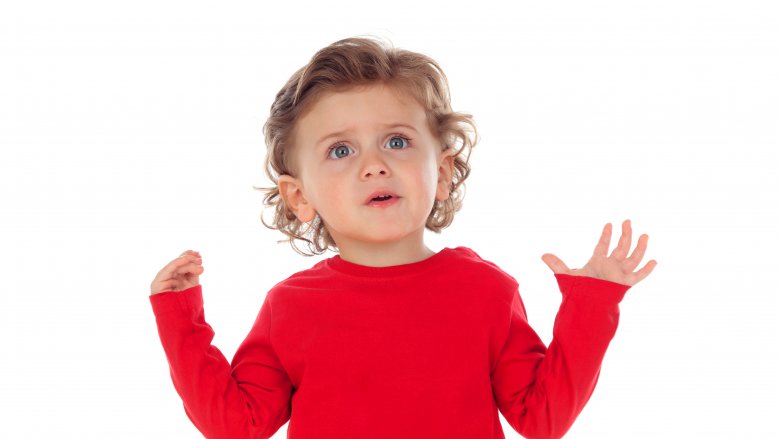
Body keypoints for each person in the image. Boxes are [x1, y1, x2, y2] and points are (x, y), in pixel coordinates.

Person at [149, 36, 657, 439]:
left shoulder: (486, 291)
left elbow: (542, 420)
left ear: (442, 172)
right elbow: (235, 425)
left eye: (397, 141)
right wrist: (180, 318)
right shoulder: (290, 306)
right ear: (299, 196)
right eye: (340, 151)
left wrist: (591, 306)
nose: (374, 165)